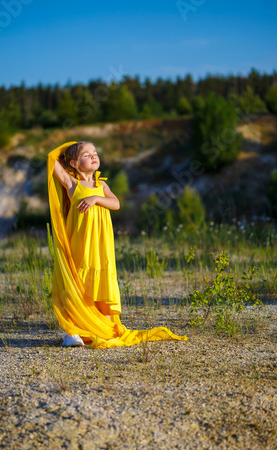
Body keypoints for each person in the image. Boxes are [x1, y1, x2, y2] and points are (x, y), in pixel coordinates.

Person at [47, 140, 187, 348]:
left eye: (95, 152)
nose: (93, 155)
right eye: (86, 154)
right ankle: (73, 331)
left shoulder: (101, 185)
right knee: (77, 282)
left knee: (100, 281)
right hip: (81, 243)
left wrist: (95, 198)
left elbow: (116, 203)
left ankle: (102, 327)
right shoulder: (72, 184)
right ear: (74, 163)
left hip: (101, 244)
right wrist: (72, 148)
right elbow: (51, 158)